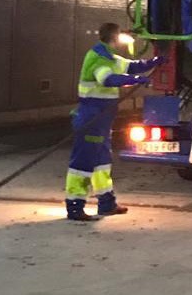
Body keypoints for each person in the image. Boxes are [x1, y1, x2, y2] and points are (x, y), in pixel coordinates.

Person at [65, 23, 163, 221]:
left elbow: (132, 65)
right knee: (83, 164)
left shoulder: (108, 56)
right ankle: (75, 206)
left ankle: (106, 203)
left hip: (101, 117)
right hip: (92, 117)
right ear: (114, 37)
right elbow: (107, 79)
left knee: (102, 163)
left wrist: (156, 61)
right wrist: (136, 79)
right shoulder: (99, 58)